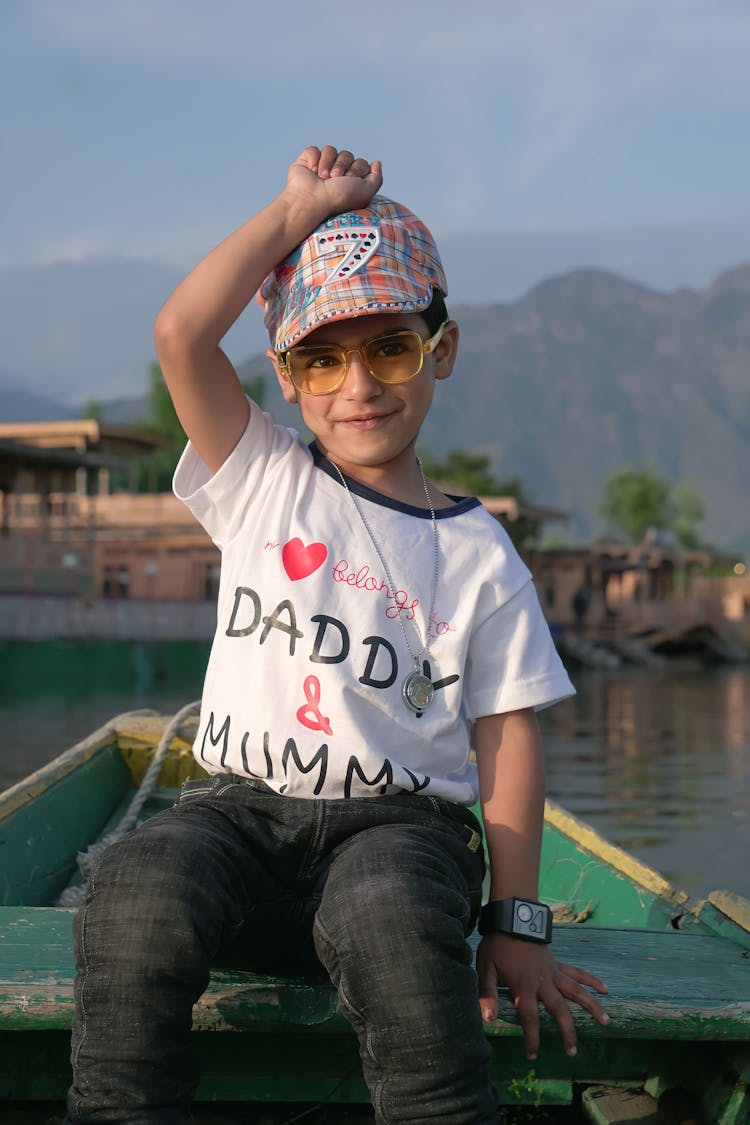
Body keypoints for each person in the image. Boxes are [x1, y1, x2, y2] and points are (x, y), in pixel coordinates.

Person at [64, 145, 609, 1125]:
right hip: (239, 820)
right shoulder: (261, 478)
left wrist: (518, 927)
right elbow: (183, 332)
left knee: (392, 921)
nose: (358, 384)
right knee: (135, 883)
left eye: (389, 348)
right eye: (322, 357)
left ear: (440, 349)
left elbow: (507, 738)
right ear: (285, 375)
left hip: (400, 838)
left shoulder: (479, 551)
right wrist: (297, 210)